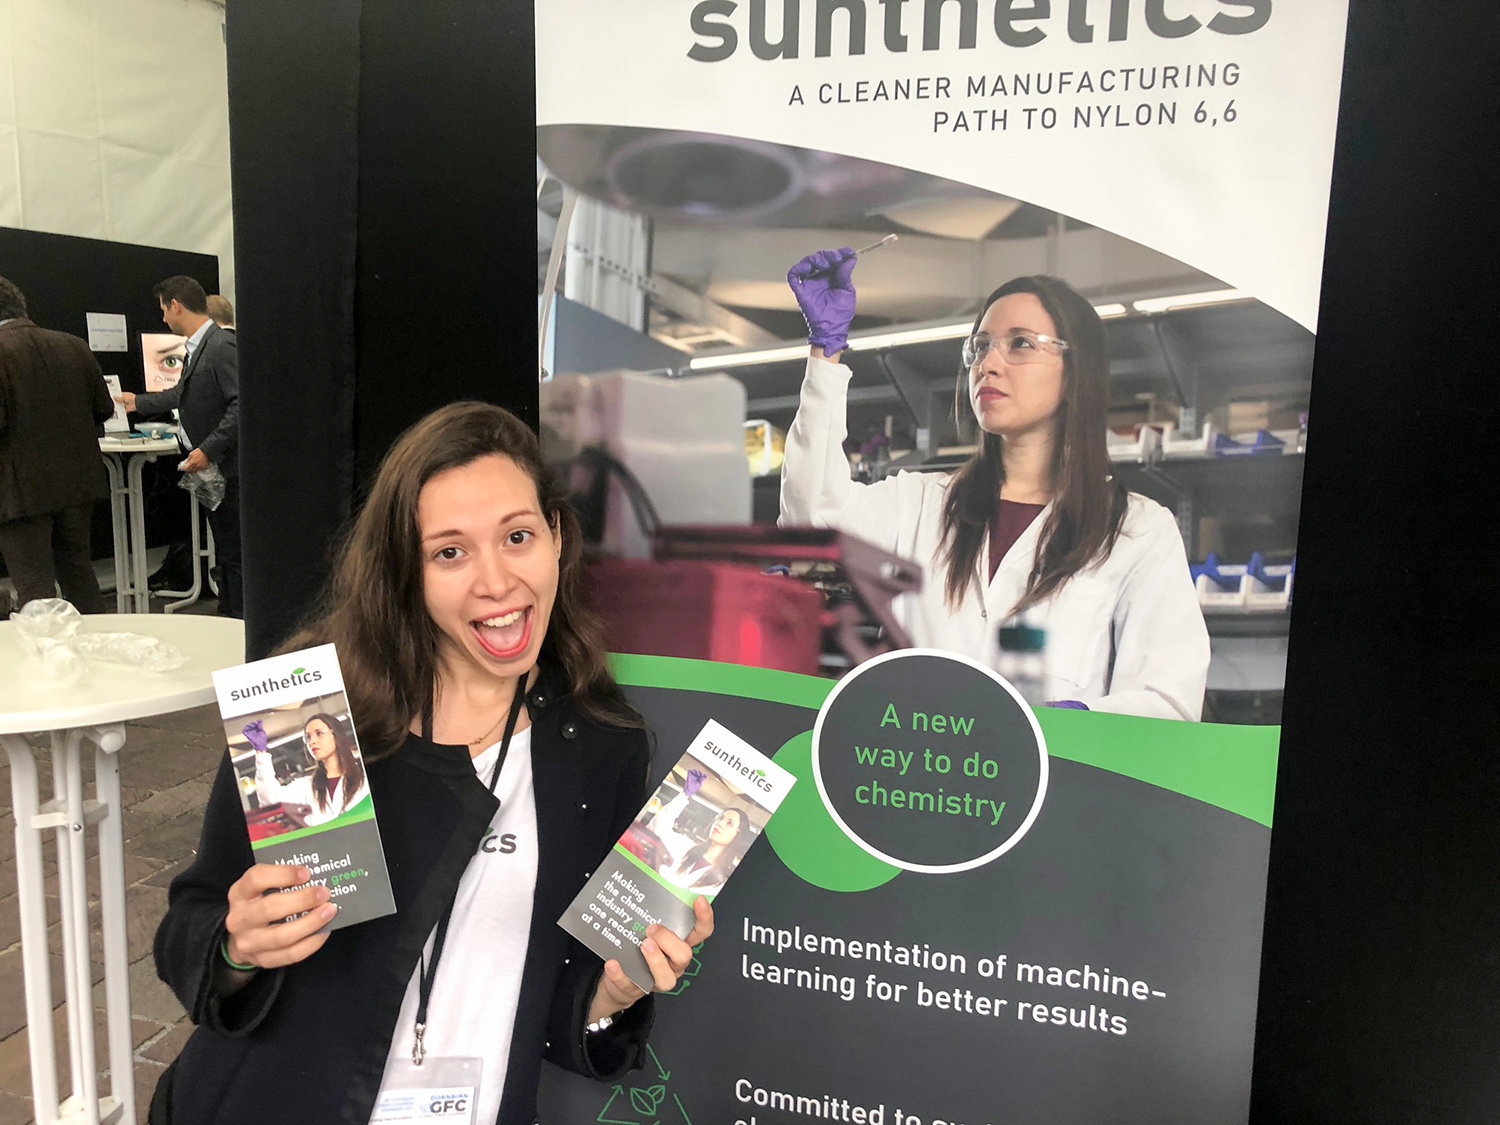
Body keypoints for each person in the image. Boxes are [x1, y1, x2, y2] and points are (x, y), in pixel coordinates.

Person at [151, 401, 713, 1125]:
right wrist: (236, 945)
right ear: (407, 570)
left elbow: (561, 991)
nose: (496, 581)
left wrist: (613, 993)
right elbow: (189, 927)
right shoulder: (313, 713)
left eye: (517, 536)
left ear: (557, 537)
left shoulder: (600, 745)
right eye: (450, 551)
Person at [781, 249, 1210, 721]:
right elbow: (811, 525)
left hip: (1053, 783)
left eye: (1020, 344)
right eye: (980, 346)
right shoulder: (919, 503)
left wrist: (1074, 719)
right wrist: (825, 353)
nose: (988, 364)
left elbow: (1168, 699)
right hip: (913, 776)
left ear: (1075, 372)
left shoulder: (1137, 530)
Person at [116, 276, 242, 617]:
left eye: (163, 310)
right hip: (210, 467)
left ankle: (239, 621)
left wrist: (208, 449)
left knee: (233, 551)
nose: (162, 319)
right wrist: (136, 403)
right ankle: (230, 612)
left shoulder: (220, 346)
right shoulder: (199, 347)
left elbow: (241, 404)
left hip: (223, 467)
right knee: (226, 549)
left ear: (176, 305)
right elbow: (181, 396)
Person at [0, 275, 113, 613]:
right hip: (78, 485)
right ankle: (103, 655)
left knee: (35, 587)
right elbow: (104, 409)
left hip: (18, 493)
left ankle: (51, 664)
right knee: (80, 576)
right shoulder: (74, 344)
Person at [241, 713, 370, 827]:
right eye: (308, 737)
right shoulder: (305, 786)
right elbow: (271, 801)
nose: (312, 741)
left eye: (319, 733)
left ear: (336, 736)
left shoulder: (363, 776)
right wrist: (261, 752)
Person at [665, 806, 750, 897]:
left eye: (729, 823)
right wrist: (683, 796)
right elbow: (659, 828)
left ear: (737, 836)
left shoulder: (719, 883)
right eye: (720, 818)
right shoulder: (686, 846)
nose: (719, 823)